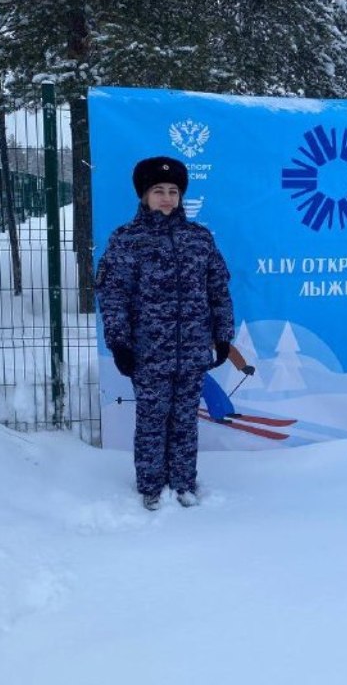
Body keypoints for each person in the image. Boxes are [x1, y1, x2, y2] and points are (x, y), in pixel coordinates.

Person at [95, 156, 235, 511]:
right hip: (148, 352)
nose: (167, 198)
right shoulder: (127, 240)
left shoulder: (199, 239)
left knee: (185, 419)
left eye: (174, 191)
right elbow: (113, 296)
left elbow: (218, 290)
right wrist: (120, 344)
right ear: (144, 195)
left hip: (192, 351)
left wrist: (222, 336)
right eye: (158, 190)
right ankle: (151, 485)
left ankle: (184, 483)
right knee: (152, 420)